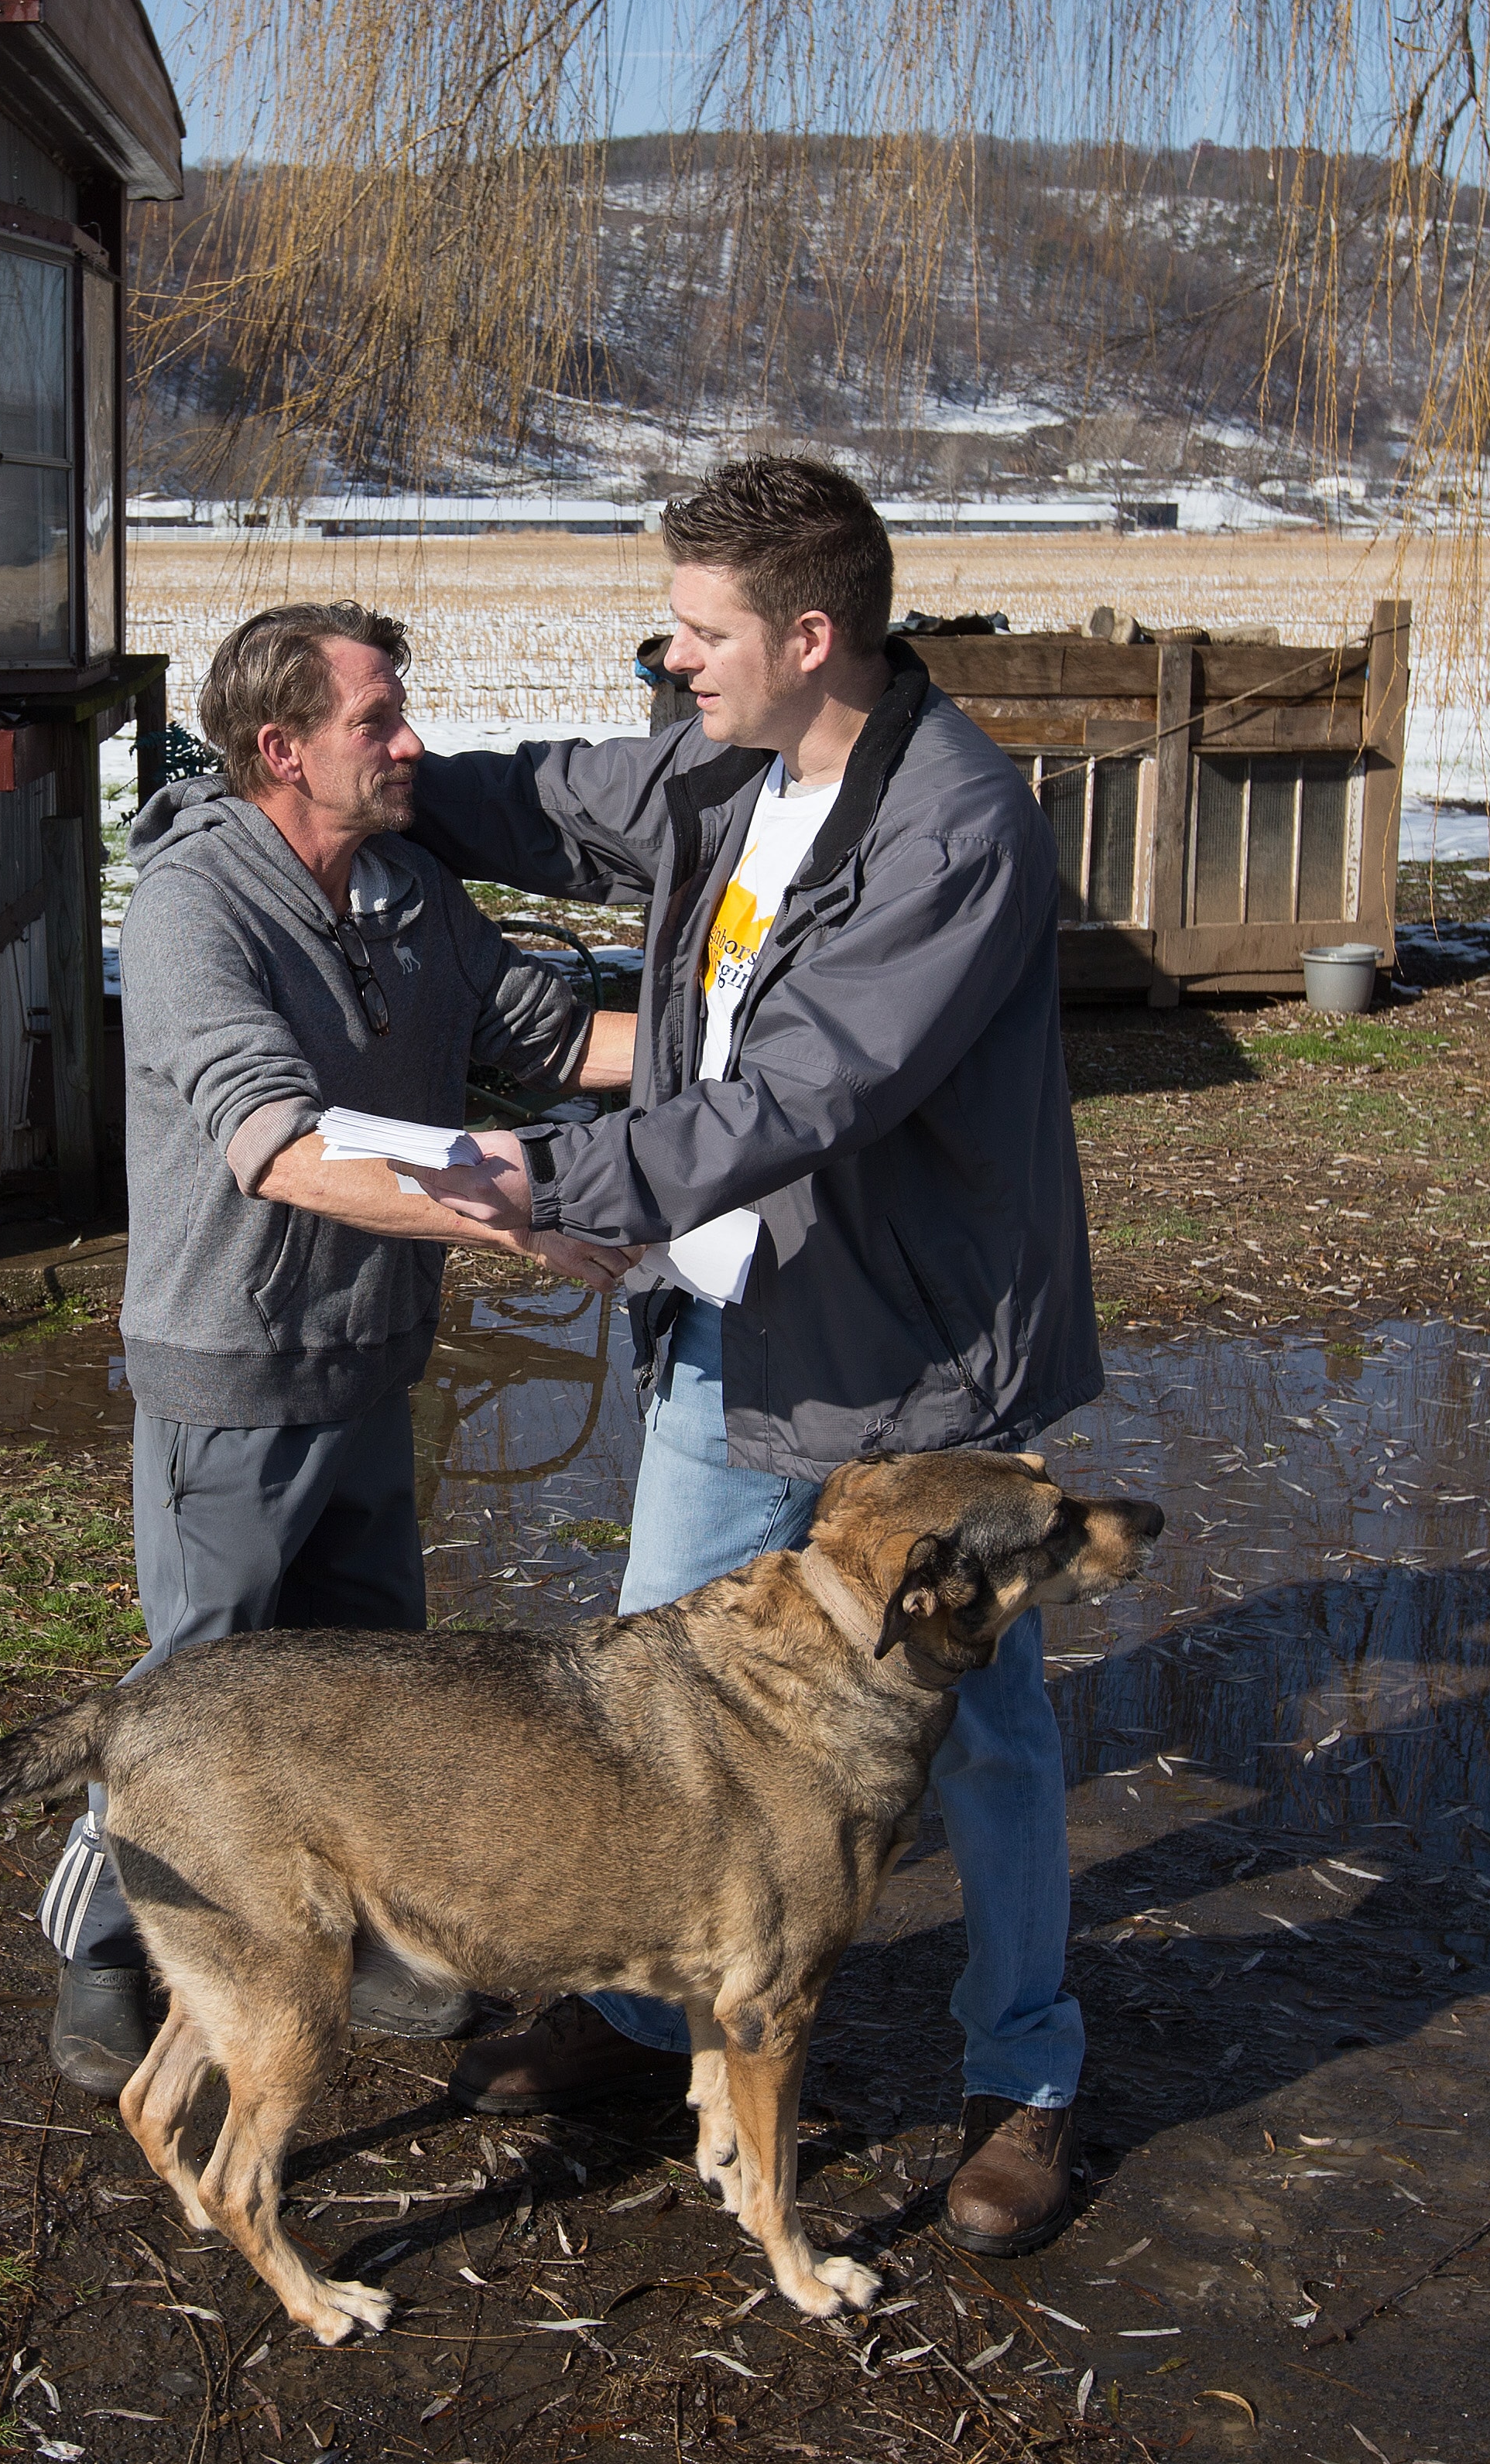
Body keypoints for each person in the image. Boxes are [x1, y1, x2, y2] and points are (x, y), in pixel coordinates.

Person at [399, 454, 1108, 2257]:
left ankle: (1023, 2075)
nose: (674, 658)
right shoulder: (735, 763)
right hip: (734, 1314)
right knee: (659, 1694)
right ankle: (647, 2016)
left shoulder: (949, 827)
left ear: (809, 634)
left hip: (919, 1364)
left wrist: (543, 1169)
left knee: (986, 1740)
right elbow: (558, 796)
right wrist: (383, 784)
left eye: (704, 631)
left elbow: (803, 1096)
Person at [48, 597, 627, 2093]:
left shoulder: (408, 890)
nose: (413, 744)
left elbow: (556, 1042)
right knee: (203, 1695)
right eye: (380, 720)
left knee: (372, 1689)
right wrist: (517, 1219)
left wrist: (761, 1040)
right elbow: (281, 1150)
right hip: (230, 1369)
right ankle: (108, 1949)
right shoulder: (196, 908)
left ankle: (363, 1945)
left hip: (374, 1353)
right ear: (281, 749)